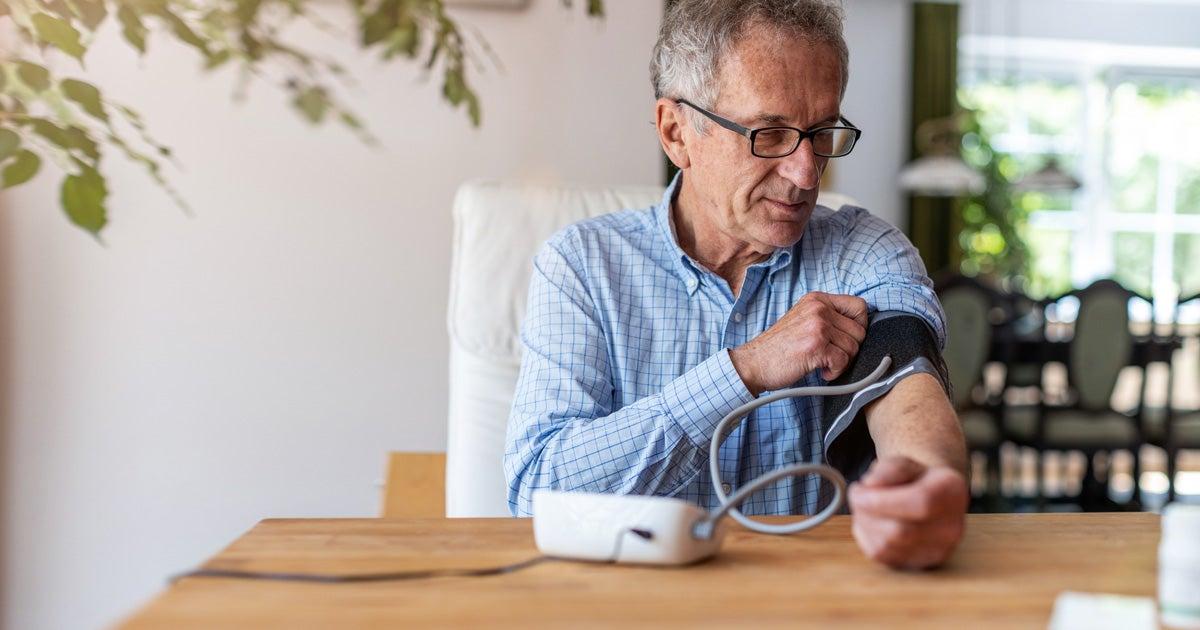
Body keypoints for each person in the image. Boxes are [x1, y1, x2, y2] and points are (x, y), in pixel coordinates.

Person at [504, 0, 969, 570]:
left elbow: (909, 387)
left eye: (821, 132)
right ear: (676, 133)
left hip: (811, 605)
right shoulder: (582, 267)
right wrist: (743, 371)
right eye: (769, 133)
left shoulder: (864, 251)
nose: (806, 173)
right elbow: (535, 496)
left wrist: (925, 482)